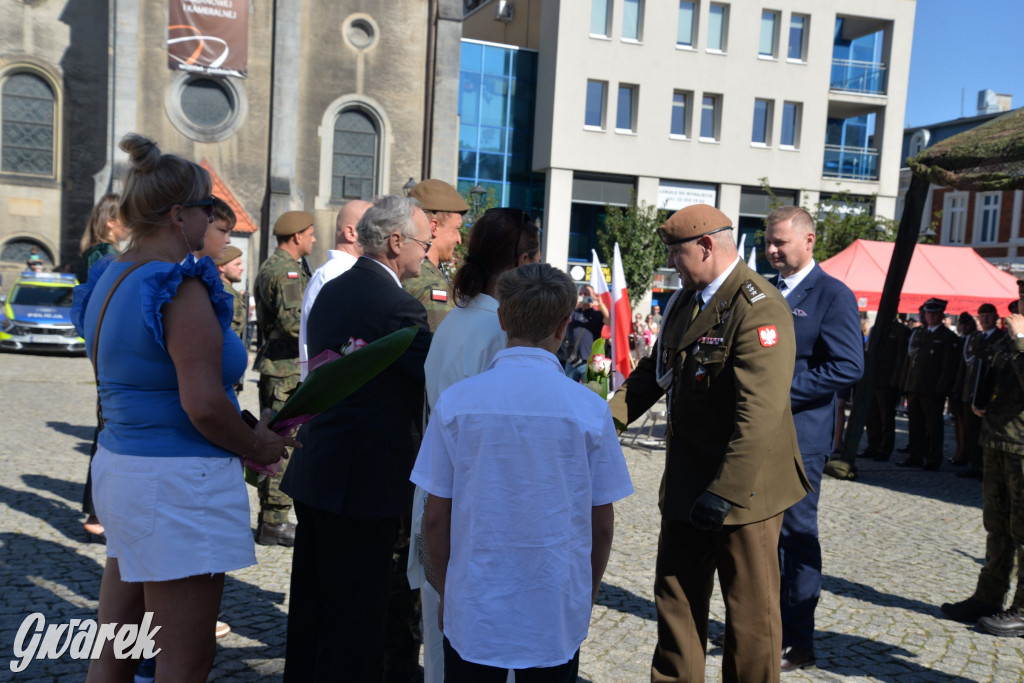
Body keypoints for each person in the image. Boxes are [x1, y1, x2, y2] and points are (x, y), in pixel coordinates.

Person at [71, 133, 292, 682]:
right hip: (174, 482)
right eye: (206, 210)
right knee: (184, 659)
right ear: (178, 215)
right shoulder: (179, 283)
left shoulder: (111, 275)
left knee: (117, 646)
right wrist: (256, 446)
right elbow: (203, 405)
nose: (211, 220)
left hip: (123, 466)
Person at [609, 204, 809, 683]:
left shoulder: (758, 306)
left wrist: (725, 492)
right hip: (687, 480)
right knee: (676, 601)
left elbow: (759, 414)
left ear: (705, 246)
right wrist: (601, 424)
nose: (672, 264)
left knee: (751, 620)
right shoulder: (684, 302)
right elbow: (652, 377)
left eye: (677, 254)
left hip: (745, 492)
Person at [413, 262, 633, 682]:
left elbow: (435, 516)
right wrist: (583, 596)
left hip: (475, 602)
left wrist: (445, 591)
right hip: (553, 603)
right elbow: (601, 524)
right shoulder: (588, 410)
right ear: (564, 325)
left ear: (501, 317)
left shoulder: (458, 403)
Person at [280, 195, 432, 682]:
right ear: (395, 242)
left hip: (320, 467)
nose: (426, 254)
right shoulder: (398, 308)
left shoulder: (331, 289)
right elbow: (433, 381)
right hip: (365, 482)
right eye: (423, 243)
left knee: (313, 608)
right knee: (357, 620)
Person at [410, 207, 541, 683]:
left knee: (442, 645)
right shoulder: (498, 330)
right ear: (524, 260)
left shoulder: (457, 319)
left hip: (441, 497)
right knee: (480, 650)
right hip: (474, 508)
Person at [763, 206, 864, 672]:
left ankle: (797, 640)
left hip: (802, 437)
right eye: (768, 241)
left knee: (796, 537)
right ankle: (763, 630)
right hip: (757, 435)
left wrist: (780, 394)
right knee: (760, 538)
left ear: (809, 241)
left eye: (780, 242)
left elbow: (848, 365)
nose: (771, 250)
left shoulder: (832, 294)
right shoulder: (762, 292)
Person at [940, 307, 1024, 635]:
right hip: (999, 440)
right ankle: (989, 596)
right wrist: (980, 398)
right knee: (997, 525)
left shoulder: (1018, 337)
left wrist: (1019, 340)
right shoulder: (1010, 337)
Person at [252, 210, 315, 546]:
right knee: (283, 442)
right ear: (296, 237)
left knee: (275, 437)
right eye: (310, 233)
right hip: (285, 368)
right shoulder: (287, 271)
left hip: (278, 366)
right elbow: (293, 325)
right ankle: (275, 520)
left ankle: (270, 519)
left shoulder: (272, 265)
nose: (314, 239)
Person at [78, 192, 127, 541]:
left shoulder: (97, 252)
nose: (130, 224)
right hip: (110, 352)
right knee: (107, 435)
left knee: (104, 433)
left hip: (102, 351)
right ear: (110, 221)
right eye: (124, 217)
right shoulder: (105, 256)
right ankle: (97, 514)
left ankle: (97, 511)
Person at [298, 200, 371, 379]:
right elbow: (331, 349)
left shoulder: (347, 272)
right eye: (372, 227)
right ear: (351, 232)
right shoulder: (336, 274)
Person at [898, 298, 959, 471]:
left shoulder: (947, 336)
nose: (930, 316)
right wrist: (905, 384)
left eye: (934, 313)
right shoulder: (919, 333)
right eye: (928, 312)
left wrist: (941, 389)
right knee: (915, 423)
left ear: (941, 314)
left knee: (933, 426)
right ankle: (916, 455)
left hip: (932, 389)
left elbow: (948, 367)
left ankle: (934, 458)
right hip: (914, 386)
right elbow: (909, 361)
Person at [403, 179, 470, 332]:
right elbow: (440, 348)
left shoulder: (404, 271)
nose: (459, 239)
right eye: (456, 229)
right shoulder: (431, 285)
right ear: (434, 227)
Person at [953, 304, 1004, 479]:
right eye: (982, 316)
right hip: (970, 392)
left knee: (987, 433)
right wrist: (958, 391)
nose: (985, 319)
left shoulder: (1002, 338)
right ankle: (975, 465)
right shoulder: (974, 338)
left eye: (988, 315)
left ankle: (987, 468)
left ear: (996, 317)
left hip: (989, 394)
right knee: (970, 431)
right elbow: (963, 367)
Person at [861, 318, 910, 461]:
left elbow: (900, 358)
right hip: (873, 379)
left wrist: (896, 382)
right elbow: (869, 352)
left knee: (886, 418)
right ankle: (872, 446)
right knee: (872, 417)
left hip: (888, 381)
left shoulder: (901, 330)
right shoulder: (876, 328)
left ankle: (884, 449)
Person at [564, 284, 610, 379]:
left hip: (590, 362)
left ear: (593, 296)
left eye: (586, 294)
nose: (583, 296)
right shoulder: (574, 312)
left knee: (591, 391)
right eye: (581, 294)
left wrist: (600, 304)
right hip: (573, 360)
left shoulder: (597, 314)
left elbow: (610, 321)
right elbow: (562, 317)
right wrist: (573, 304)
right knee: (568, 391)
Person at [78, 193, 126, 282]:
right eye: (126, 218)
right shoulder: (105, 253)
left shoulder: (99, 251)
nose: (132, 223)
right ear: (110, 222)